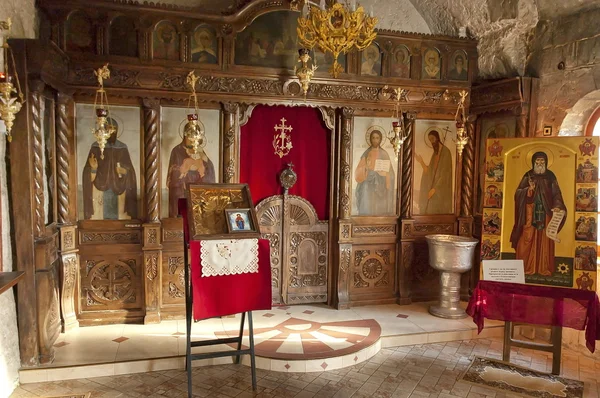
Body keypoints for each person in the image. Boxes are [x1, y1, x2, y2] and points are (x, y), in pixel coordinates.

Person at [509, 152, 567, 276]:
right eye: (537, 162)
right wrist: (528, 190)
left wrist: (557, 206)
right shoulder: (528, 175)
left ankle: (544, 268)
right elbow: (518, 193)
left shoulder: (550, 176)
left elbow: (556, 193)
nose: (540, 164)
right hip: (529, 212)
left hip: (546, 213)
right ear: (533, 162)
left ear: (546, 162)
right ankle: (525, 268)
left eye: (542, 162)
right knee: (527, 237)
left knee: (545, 239)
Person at [82, 117, 137, 220]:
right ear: (103, 130)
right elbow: (87, 172)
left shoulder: (122, 148)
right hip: (99, 188)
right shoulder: (95, 147)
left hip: (120, 188)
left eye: (114, 129)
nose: (112, 132)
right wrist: (93, 169)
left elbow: (131, 172)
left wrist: (125, 171)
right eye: (108, 128)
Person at [166, 130, 216, 218]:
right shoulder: (177, 150)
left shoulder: (199, 150)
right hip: (181, 189)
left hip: (196, 188)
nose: (193, 140)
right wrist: (185, 171)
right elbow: (173, 173)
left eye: (195, 136)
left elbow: (209, 169)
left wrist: (205, 159)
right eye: (190, 136)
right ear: (185, 136)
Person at [354, 129, 395, 215]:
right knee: (365, 188)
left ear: (380, 140)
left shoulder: (384, 154)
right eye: (373, 138)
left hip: (381, 183)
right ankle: (365, 217)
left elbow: (391, 174)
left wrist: (385, 174)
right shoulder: (366, 153)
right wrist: (366, 167)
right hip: (367, 182)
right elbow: (358, 172)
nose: (375, 140)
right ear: (370, 139)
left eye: (377, 138)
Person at [416, 130, 453, 214]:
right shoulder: (435, 153)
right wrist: (421, 162)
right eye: (430, 140)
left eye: (432, 139)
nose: (431, 142)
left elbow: (445, 175)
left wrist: (434, 189)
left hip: (441, 190)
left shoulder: (446, 152)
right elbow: (430, 172)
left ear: (437, 138)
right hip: (433, 188)